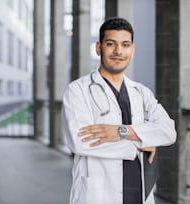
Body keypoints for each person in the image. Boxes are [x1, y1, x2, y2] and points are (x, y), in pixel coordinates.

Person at [62, 17, 176, 204]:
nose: (118, 51)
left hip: (138, 192)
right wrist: (141, 142)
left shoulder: (141, 92)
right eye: (110, 44)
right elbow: (80, 142)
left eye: (125, 45)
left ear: (132, 50)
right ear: (99, 48)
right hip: (98, 194)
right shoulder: (78, 90)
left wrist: (123, 132)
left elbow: (168, 131)